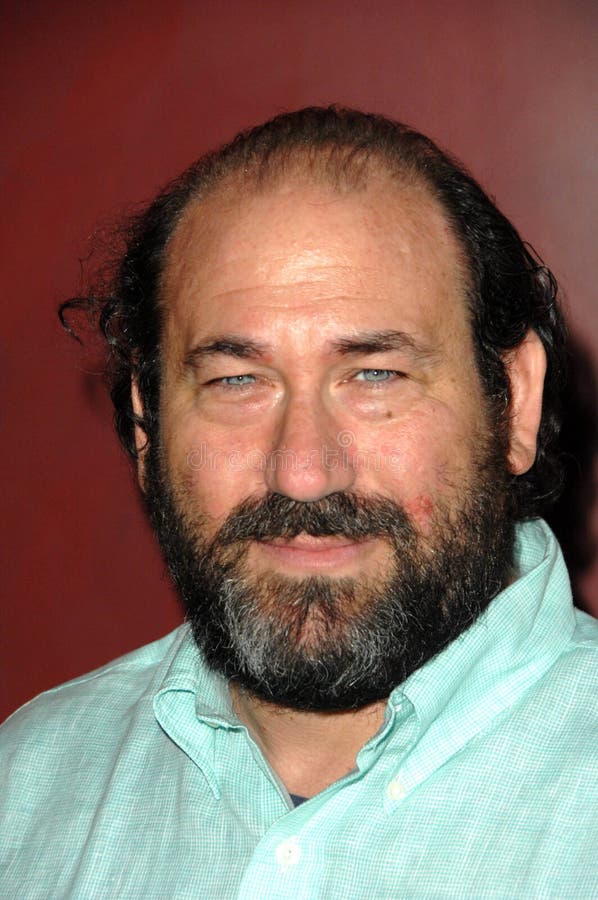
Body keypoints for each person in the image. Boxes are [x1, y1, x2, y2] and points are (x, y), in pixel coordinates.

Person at [1, 107, 596, 899]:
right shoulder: (25, 790)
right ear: (147, 423)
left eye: (375, 375)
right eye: (236, 381)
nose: (304, 472)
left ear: (514, 402)